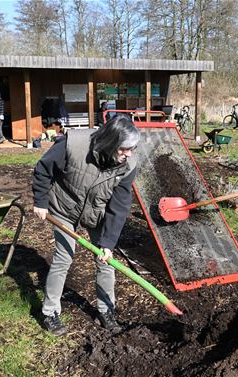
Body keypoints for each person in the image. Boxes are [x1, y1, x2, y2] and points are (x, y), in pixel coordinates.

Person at [32, 114, 140, 336]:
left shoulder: (128, 165)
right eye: (124, 149)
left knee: (106, 261)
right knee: (64, 256)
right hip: (63, 207)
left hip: (96, 212)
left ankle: (106, 311)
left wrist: (108, 243)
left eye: (132, 148)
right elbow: (43, 169)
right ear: (110, 142)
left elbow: (119, 206)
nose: (128, 154)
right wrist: (41, 202)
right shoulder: (74, 143)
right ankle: (50, 312)